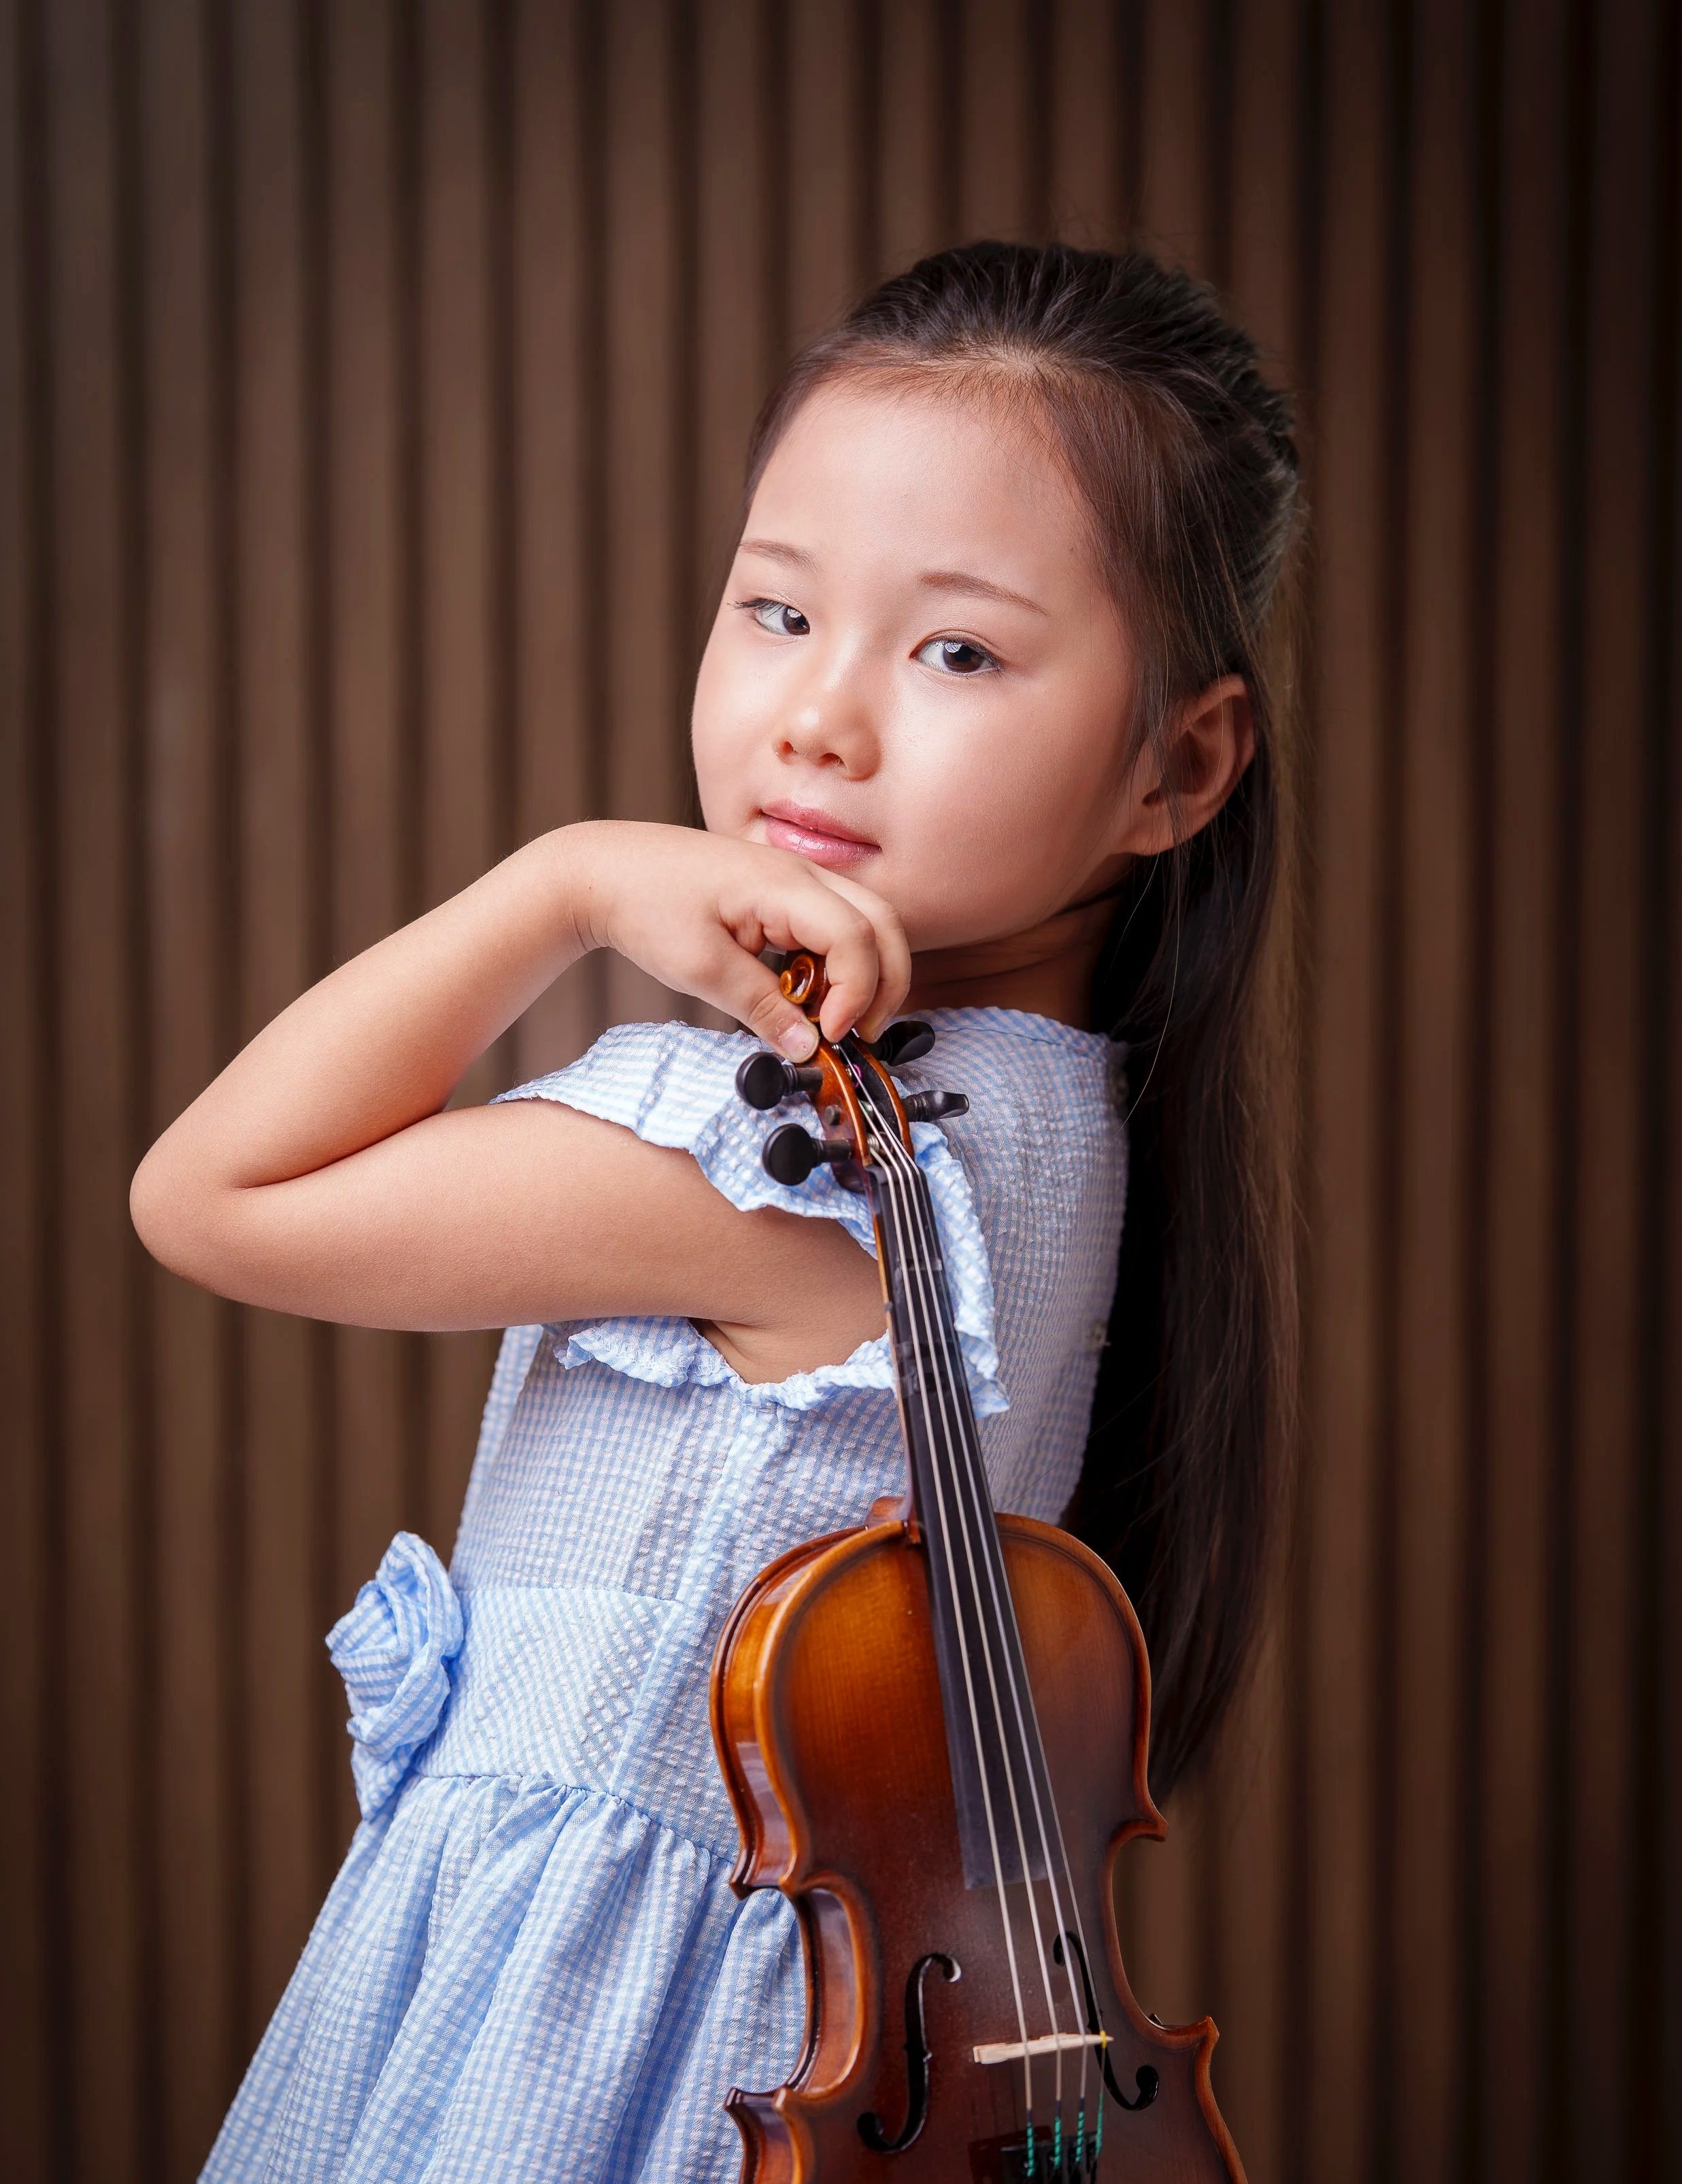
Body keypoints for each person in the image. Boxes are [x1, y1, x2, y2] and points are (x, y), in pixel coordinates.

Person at [132, 239, 1302, 2184]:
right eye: (775, 609)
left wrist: (565, 881)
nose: (816, 719)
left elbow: (213, 1191)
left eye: (956, 651)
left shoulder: (790, 1151)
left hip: (592, 2057)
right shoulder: (1058, 1127)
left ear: (1176, 767)